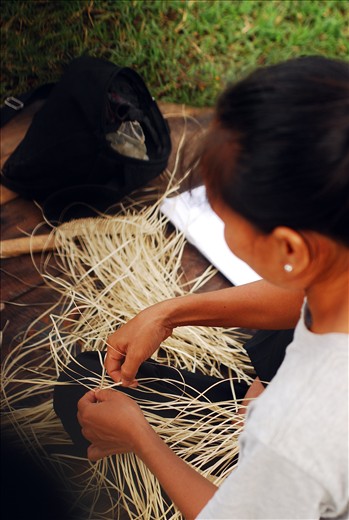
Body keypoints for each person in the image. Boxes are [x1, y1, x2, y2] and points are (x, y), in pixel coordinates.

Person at [55, 56, 349, 519]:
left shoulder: (295, 432)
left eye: (226, 218)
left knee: (78, 391)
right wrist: (169, 313)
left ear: (290, 250)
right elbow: (306, 296)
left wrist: (138, 437)